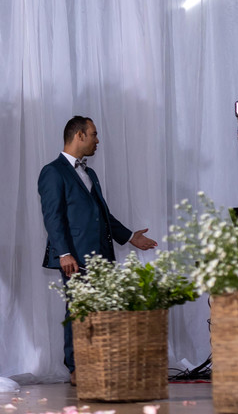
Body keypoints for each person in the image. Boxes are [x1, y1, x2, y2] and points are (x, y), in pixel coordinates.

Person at [39, 116, 157, 383]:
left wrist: (130, 237)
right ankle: (76, 369)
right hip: (75, 256)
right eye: (93, 134)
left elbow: (102, 214)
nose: (97, 140)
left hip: (102, 254)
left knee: (102, 311)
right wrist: (64, 253)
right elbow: (53, 217)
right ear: (79, 135)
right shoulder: (53, 172)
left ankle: (99, 363)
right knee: (79, 310)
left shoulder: (89, 173)